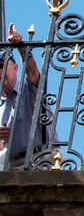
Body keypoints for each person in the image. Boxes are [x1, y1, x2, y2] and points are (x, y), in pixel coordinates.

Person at [0, 24, 52, 168]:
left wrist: (20, 46)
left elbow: (33, 72)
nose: (0, 71)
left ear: (15, 68)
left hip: (42, 158)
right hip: (13, 165)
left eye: (2, 65)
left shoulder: (28, 87)